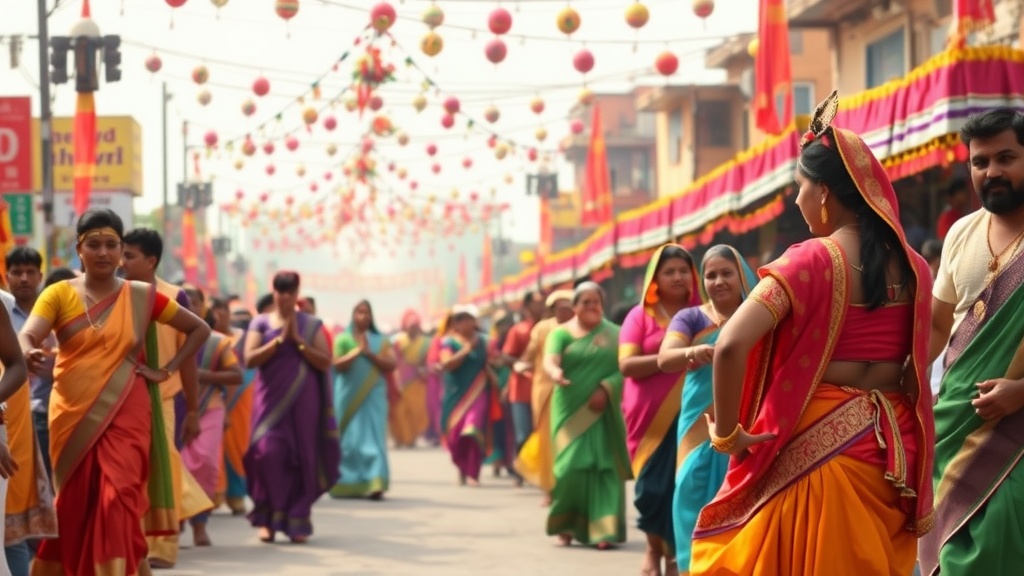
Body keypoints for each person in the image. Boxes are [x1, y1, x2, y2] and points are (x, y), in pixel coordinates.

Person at [687, 92, 935, 575]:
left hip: (816, 439)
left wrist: (727, 435)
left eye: (799, 188)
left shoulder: (809, 261)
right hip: (889, 449)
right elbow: (927, 345)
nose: (797, 200)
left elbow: (731, 345)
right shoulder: (916, 267)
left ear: (824, 192)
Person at [20, 209, 209, 576]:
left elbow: (198, 329)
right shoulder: (59, 293)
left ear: (121, 250)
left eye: (111, 245)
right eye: (94, 244)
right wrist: (28, 347)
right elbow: (30, 331)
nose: (103, 252)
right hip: (72, 413)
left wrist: (166, 369)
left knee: (117, 498)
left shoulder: (140, 296)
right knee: (77, 503)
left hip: (128, 408)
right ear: (79, 249)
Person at [919, 108, 1024, 575]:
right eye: (980, 162)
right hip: (955, 425)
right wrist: (902, 379)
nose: (992, 171)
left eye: (1006, 157)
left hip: (1016, 435)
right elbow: (938, 327)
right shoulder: (960, 232)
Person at [656, 245, 758, 572]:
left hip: (745, 420)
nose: (718, 281)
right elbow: (665, 357)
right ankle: (692, 567)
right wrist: (694, 352)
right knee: (690, 492)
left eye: (726, 273)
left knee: (739, 497)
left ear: (741, 275)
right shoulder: (691, 317)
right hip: (697, 424)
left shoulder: (757, 314)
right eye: (711, 275)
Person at [120, 228, 211, 569]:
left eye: (129, 255)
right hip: (121, 397)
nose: (121, 261)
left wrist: (194, 411)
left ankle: (162, 545)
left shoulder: (175, 297)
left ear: (151, 261)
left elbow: (189, 356)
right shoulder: (116, 293)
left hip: (162, 399)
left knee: (164, 465)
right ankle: (132, 540)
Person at [618, 244, 701, 576]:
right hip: (647, 419)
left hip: (692, 413)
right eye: (669, 271)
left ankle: (674, 555)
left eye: (683, 270)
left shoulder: (702, 312)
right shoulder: (640, 316)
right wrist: (677, 355)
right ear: (655, 278)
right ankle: (653, 549)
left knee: (683, 486)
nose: (678, 277)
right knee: (651, 490)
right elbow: (626, 364)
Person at [243, 271, 339, 543]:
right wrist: (278, 340)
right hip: (269, 399)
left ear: (297, 295)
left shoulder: (312, 325)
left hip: (303, 401)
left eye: (290, 291)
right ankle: (268, 518)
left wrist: (297, 341)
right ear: (273, 292)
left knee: (301, 458)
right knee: (267, 453)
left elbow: (324, 361)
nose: (285, 297)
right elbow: (249, 359)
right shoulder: (260, 323)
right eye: (280, 291)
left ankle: (297, 520)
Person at [543, 282, 630, 550]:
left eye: (596, 302)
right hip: (569, 406)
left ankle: (603, 531)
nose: (591, 307)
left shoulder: (617, 334)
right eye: (585, 302)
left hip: (605, 410)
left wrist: (607, 388)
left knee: (604, 468)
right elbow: (550, 360)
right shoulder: (560, 334)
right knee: (570, 468)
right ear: (575, 306)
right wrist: (554, 373)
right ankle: (567, 524)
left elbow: (625, 367)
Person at [1, 248, 58, 576]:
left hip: (27, 417)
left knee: (11, 532)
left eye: (29, 272)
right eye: (16, 272)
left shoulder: (48, 310)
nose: (24, 278)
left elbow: (16, 366)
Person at [179, 286, 242, 547]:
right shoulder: (166, 335)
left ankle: (200, 525)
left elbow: (236, 374)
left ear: (204, 306)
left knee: (204, 462)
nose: (191, 308)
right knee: (176, 465)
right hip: (176, 406)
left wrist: (203, 376)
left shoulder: (216, 341)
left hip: (210, 407)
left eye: (196, 303)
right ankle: (174, 522)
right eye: (186, 303)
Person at [331, 300, 395, 499]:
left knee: (374, 439)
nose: (363, 316)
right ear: (353, 316)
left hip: (374, 396)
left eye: (367, 312)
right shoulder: (342, 339)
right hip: (348, 396)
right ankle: (348, 483)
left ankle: (375, 482)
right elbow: (337, 365)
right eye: (359, 312)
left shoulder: (381, 341)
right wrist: (357, 352)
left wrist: (369, 354)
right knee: (350, 441)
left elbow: (391, 364)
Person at [513, 289, 574, 502]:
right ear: (552, 309)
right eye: (560, 306)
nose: (564, 310)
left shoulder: (584, 328)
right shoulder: (542, 329)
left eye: (569, 305)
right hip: (545, 392)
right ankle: (549, 489)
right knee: (548, 440)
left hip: (575, 390)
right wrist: (521, 365)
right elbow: (529, 355)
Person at [440, 305, 492, 486]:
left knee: (472, 429)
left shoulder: (484, 341)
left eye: (470, 318)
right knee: (456, 435)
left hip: (478, 392)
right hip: (455, 394)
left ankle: (473, 473)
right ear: (456, 323)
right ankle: (462, 467)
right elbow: (447, 363)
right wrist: (464, 351)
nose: (467, 323)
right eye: (462, 319)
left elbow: (493, 359)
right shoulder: (448, 342)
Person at [221, 300, 257, 514]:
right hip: (217, 395)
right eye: (237, 315)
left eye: (245, 316)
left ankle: (236, 494)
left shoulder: (246, 338)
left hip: (244, 396)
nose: (241, 320)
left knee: (238, 445)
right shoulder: (211, 335)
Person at [502, 292, 545, 462]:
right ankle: (522, 470)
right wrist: (521, 364)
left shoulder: (552, 328)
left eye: (542, 303)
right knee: (523, 433)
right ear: (527, 307)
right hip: (521, 391)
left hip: (544, 389)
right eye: (537, 303)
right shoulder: (518, 330)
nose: (540, 307)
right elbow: (506, 357)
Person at [389, 310, 430, 448]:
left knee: (417, 411)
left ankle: (411, 438)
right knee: (400, 411)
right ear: (406, 326)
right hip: (400, 379)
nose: (413, 329)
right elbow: (394, 360)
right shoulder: (398, 342)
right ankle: (400, 438)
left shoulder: (425, 343)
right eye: (411, 326)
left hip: (417, 381)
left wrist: (423, 369)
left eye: (416, 326)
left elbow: (427, 360)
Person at [485, 311, 516, 478]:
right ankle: (497, 461)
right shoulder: (492, 344)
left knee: (511, 427)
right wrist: (495, 379)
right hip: (496, 390)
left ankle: (511, 462)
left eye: (506, 323)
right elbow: (487, 364)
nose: (504, 327)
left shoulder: (514, 340)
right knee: (497, 427)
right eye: (501, 324)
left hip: (513, 387)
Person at [423, 312, 452, 446]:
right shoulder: (439, 341)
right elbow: (432, 363)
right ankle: (443, 435)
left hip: (463, 382)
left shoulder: (470, 340)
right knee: (440, 409)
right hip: (440, 382)